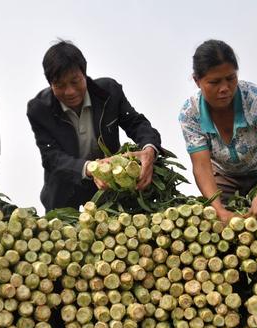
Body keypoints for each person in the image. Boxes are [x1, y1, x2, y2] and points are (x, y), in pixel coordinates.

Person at [27, 40, 162, 212]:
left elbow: (136, 123)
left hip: (109, 189)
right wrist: (90, 168)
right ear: (50, 84)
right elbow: (52, 157)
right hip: (63, 191)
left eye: (75, 82)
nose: (69, 92)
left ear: (84, 74)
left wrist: (149, 149)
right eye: (60, 85)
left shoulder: (109, 92)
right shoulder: (39, 109)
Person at [179, 39, 257, 222]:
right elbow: (201, 166)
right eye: (214, 82)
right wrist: (217, 208)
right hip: (225, 178)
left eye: (230, 78)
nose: (224, 88)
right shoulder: (190, 114)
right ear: (197, 81)